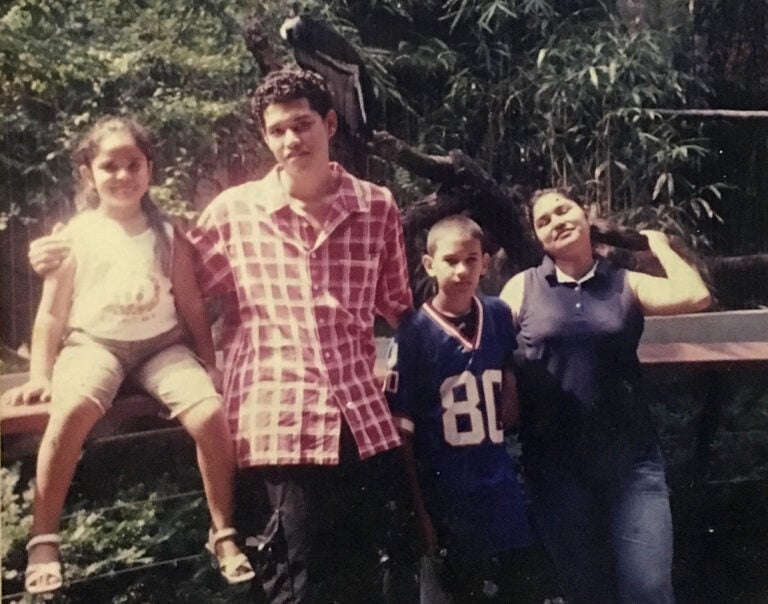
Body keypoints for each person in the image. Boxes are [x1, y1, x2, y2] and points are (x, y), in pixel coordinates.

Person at [27, 69, 414, 603]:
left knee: (380, 584)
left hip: (366, 427)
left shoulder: (378, 207)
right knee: (302, 589)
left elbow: (398, 307)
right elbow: (167, 286)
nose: (291, 140)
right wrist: (53, 261)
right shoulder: (233, 213)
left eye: (302, 125)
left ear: (329, 124)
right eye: (277, 131)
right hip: (281, 426)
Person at [7, 117, 254, 596]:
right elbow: (51, 317)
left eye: (133, 164)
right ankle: (44, 538)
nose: (122, 175)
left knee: (209, 413)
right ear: (87, 174)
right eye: (109, 166)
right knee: (72, 408)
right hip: (94, 344)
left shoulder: (167, 233)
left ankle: (222, 531)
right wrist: (41, 373)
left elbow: (191, 304)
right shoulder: (74, 235)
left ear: (150, 168)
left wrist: (209, 362)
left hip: (162, 347)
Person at [499, 188, 711, 604]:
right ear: (538, 238)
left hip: (631, 462)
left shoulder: (623, 283)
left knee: (647, 588)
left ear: (586, 213)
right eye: (544, 220)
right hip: (554, 467)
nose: (557, 221)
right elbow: (491, 344)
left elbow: (695, 294)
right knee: (585, 590)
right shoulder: (522, 288)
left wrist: (659, 244)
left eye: (563, 210)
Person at [384, 215, 534, 602]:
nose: (463, 269)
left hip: (498, 493)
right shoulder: (414, 333)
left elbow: (509, 386)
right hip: (445, 499)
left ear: (486, 262)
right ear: (429, 264)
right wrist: (420, 514)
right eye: (451, 260)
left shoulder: (499, 315)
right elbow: (403, 436)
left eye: (471, 259)